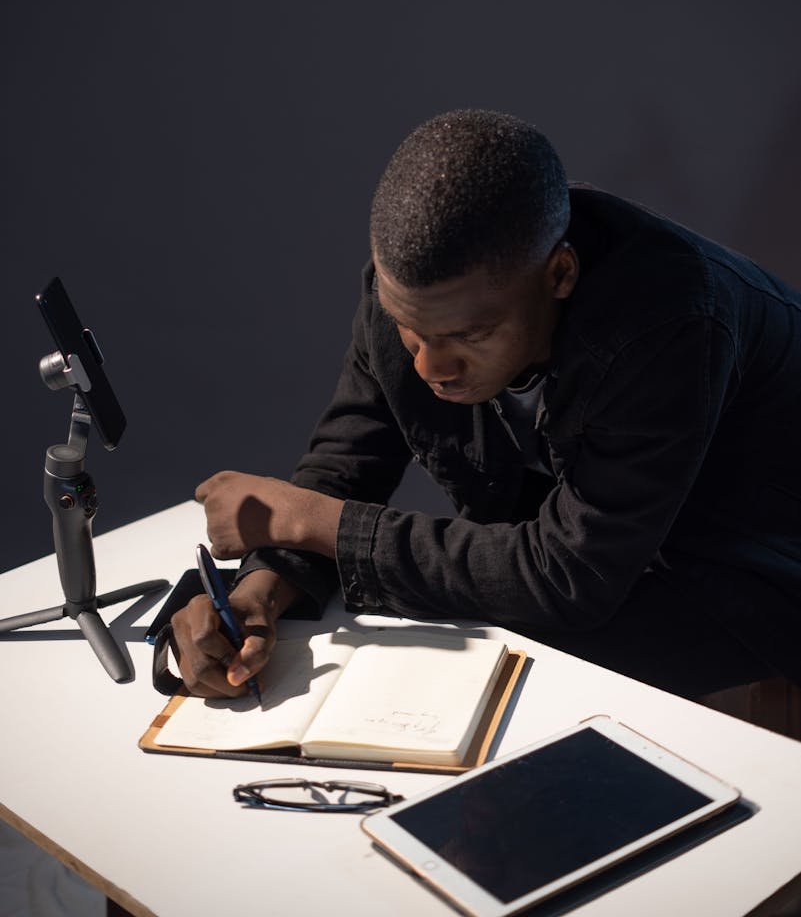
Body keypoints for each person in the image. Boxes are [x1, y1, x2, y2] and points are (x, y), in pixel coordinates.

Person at [171, 110, 801, 701]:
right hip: (611, 566)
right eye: (406, 326)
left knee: (474, 692)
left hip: (753, 579)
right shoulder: (420, 293)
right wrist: (262, 589)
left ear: (560, 274)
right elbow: (347, 461)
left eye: (470, 336)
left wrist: (310, 521)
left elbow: (567, 577)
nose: (429, 366)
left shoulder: (666, 323)